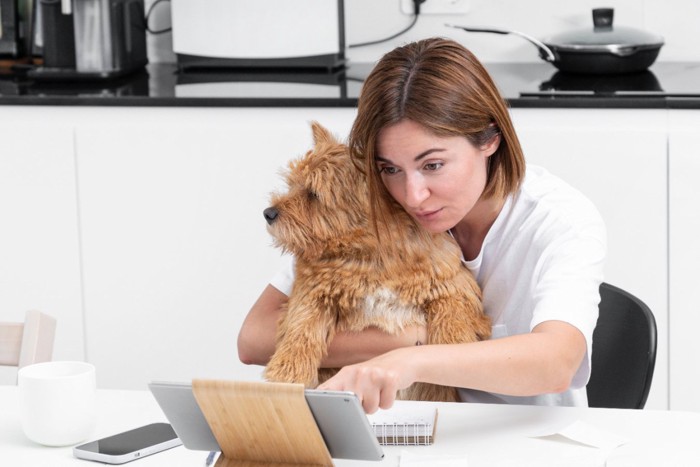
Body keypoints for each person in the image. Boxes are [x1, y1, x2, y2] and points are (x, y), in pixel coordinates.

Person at [237, 37, 606, 413]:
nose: (412, 196)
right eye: (390, 169)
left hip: (523, 437)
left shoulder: (560, 222)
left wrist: (410, 361)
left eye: (433, 165)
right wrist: (410, 339)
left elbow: (557, 363)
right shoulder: (371, 207)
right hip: (406, 431)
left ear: (490, 139)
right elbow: (253, 338)